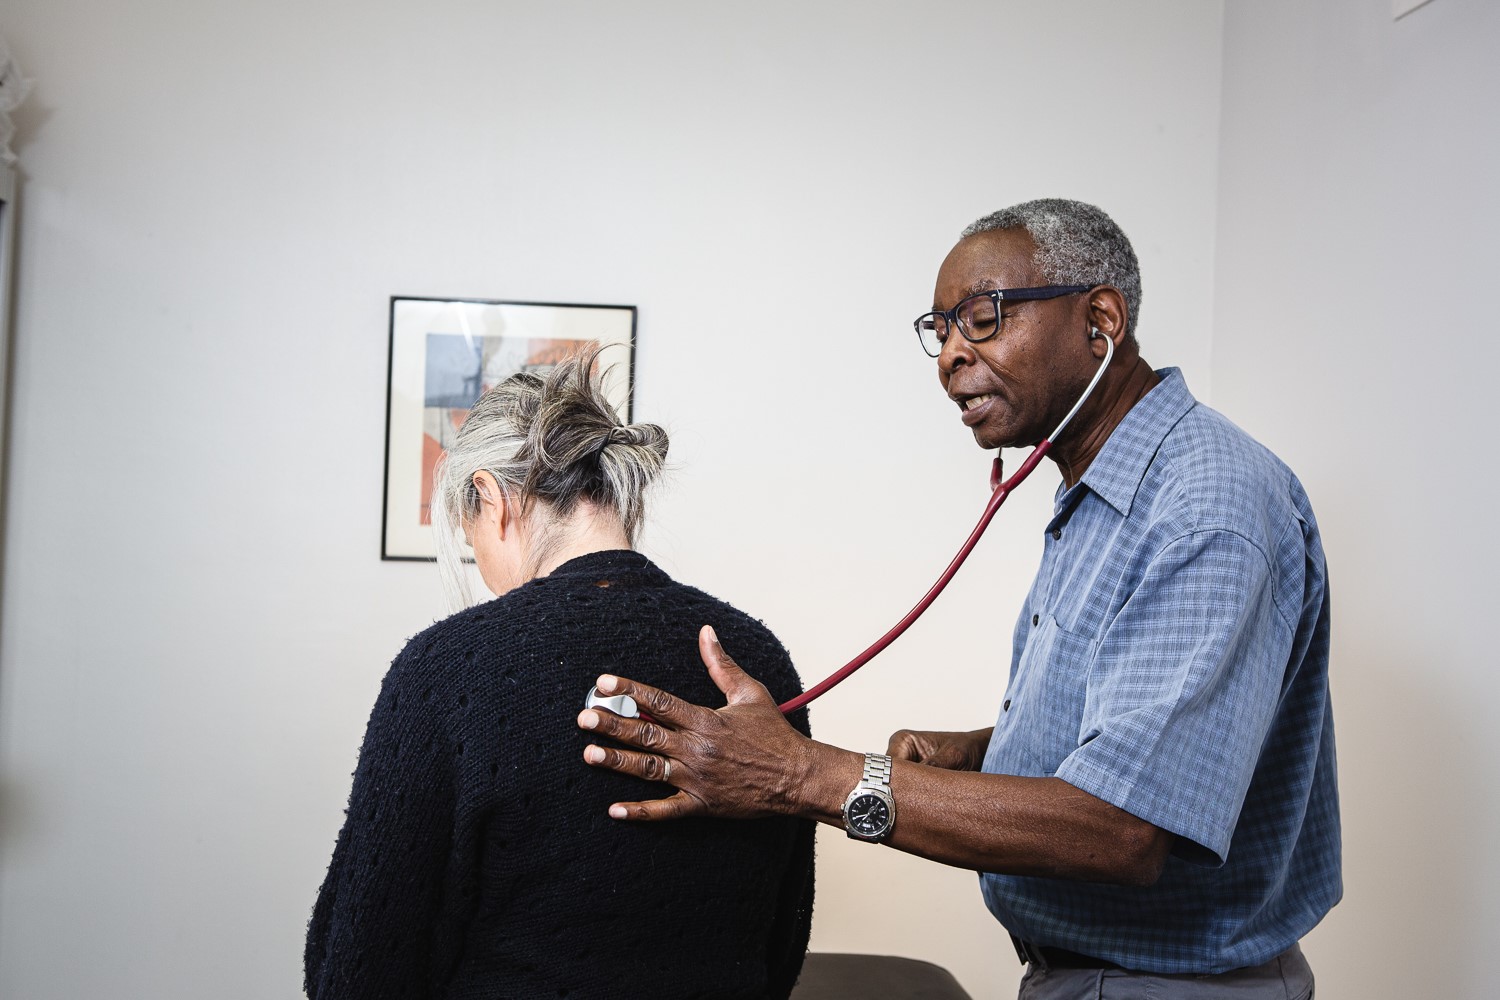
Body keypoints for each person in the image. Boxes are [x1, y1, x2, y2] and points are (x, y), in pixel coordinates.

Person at [577, 199, 1339, 998]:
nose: (949, 357)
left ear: (1101, 320)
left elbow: (1124, 829)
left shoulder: (1204, 503)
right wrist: (986, 753)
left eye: (982, 319)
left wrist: (798, 774)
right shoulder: (1104, 494)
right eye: (939, 331)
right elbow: (1152, 731)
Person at [306, 352, 815, 1000]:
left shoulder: (450, 669)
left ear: (492, 498)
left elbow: (360, 964)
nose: (480, 560)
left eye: (471, 535)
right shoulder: (755, 662)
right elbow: (782, 939)